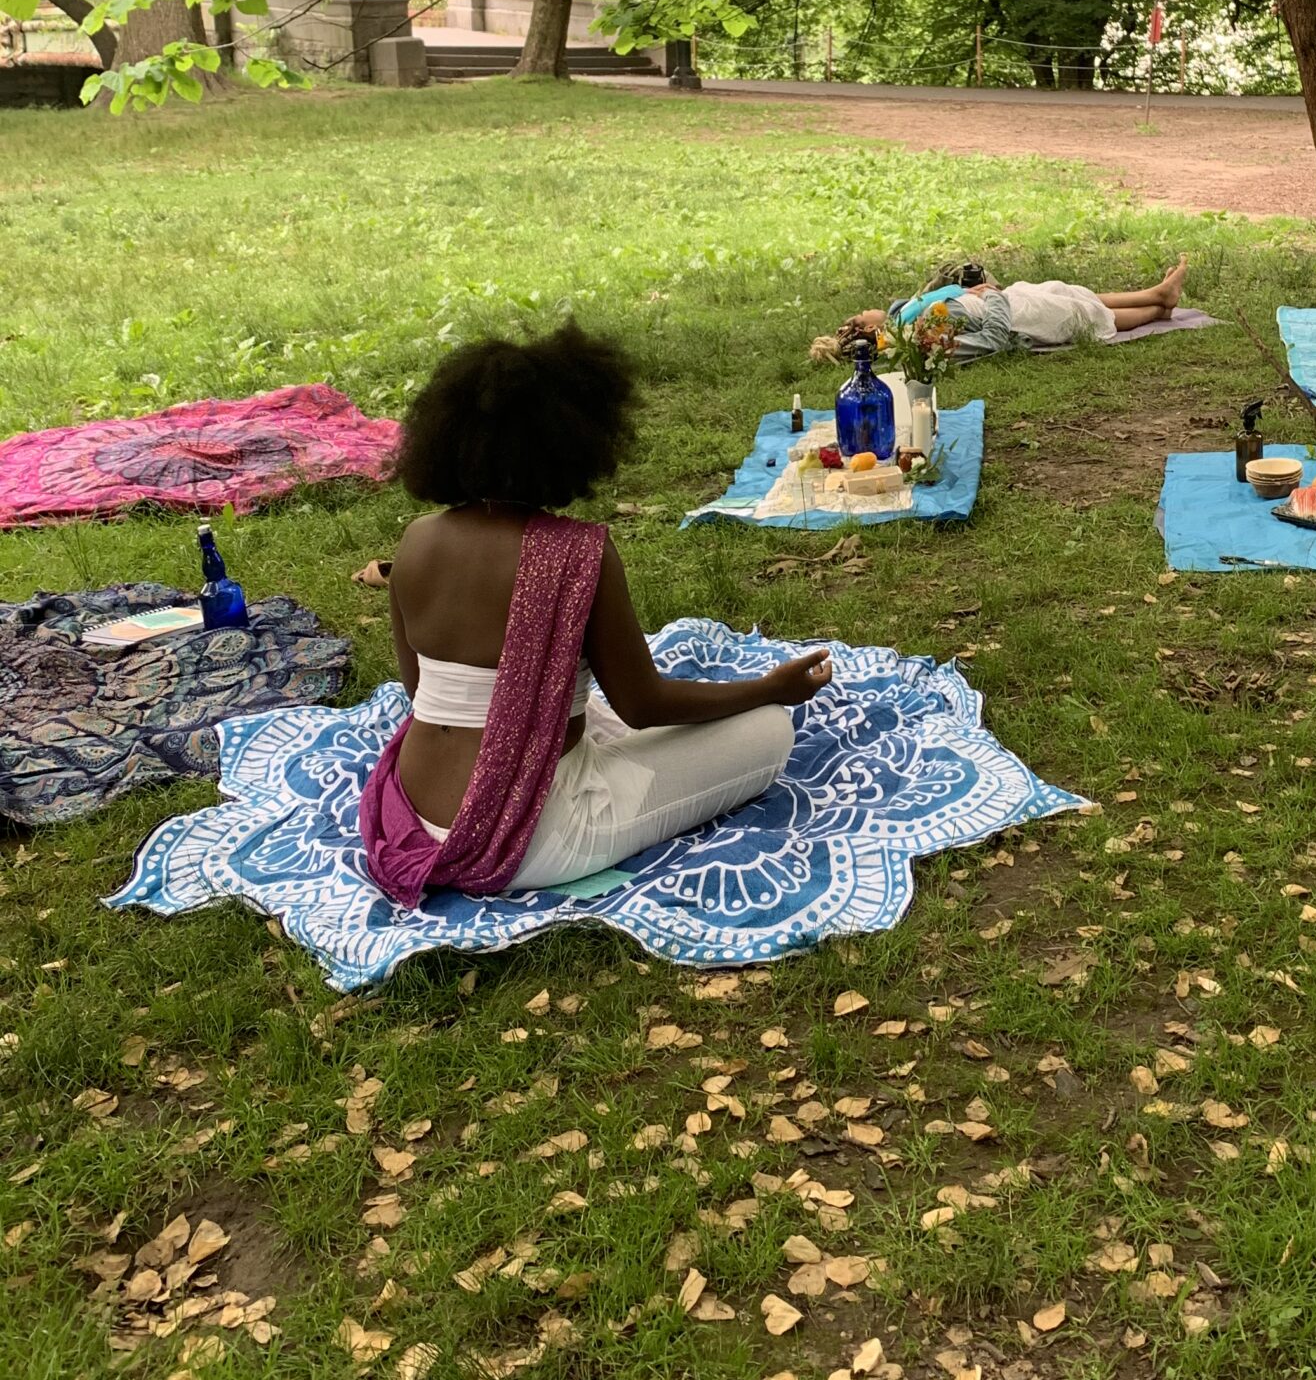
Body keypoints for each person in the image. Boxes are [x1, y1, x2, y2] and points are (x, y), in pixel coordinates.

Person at [359, 323, 829, 906]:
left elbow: (419, 690)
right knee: (768, 731)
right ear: (572, 442)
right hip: (528, 839)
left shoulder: (415, 541)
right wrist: (767, 689)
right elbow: (642, 706)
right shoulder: (576, 552)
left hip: (410, 816)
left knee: (584, 711)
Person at [810, 258, 1190, 365]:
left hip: (1001, 300)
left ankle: (1155, 292)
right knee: (1084, 315)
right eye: (860, 320)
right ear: (872, 336)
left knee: (1063, 290)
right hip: (1012, 316)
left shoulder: (902, 321)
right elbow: (991, 339)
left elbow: (911, 306)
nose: (862, 310)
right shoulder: (921, 343)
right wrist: (991, 296)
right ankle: (1158, 311)